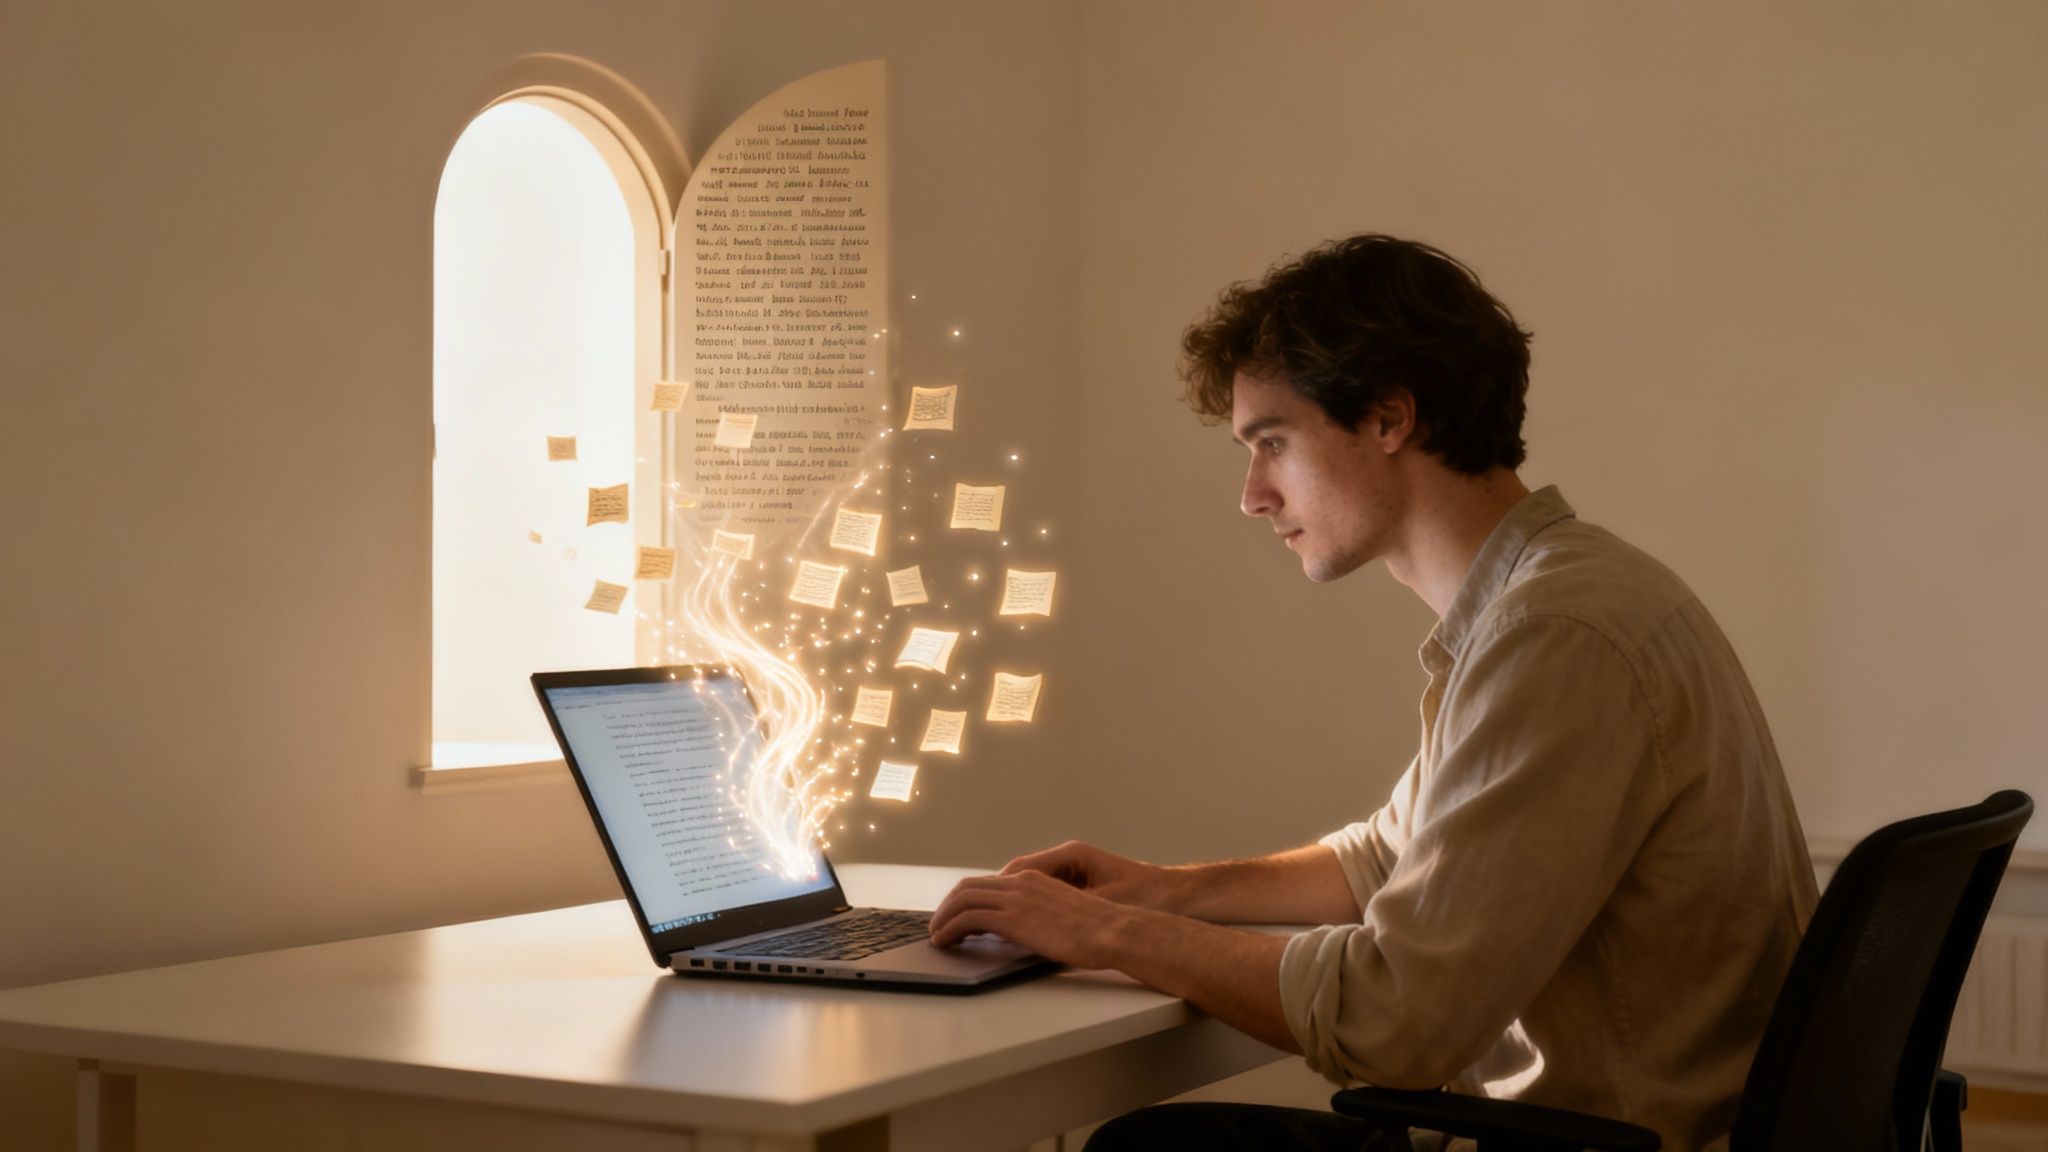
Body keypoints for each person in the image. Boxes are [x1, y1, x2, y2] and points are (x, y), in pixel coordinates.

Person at [927, 234, 1818, 1151]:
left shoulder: (1555, 636)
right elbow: (1388, 859)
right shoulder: (1556, 598)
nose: (1252, 495)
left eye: (1272, 442)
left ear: (1390, 419)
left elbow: (1397, 1020)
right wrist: (1162, 891)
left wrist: (1108, 934)